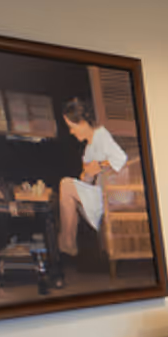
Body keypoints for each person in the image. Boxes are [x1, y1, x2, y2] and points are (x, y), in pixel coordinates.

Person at [57, 97, 126, 263]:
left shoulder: (101, 135)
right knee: (67, 191)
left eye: (72, 127)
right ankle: (67, 242)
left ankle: (66, 243)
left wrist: (100, 166)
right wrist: (86, 175)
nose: (71, 132)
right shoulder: (88, 148)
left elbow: (121, 159)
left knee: (66, 185)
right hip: (100, 194)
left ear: (82, 122)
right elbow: (86, 180)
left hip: (113, 196)